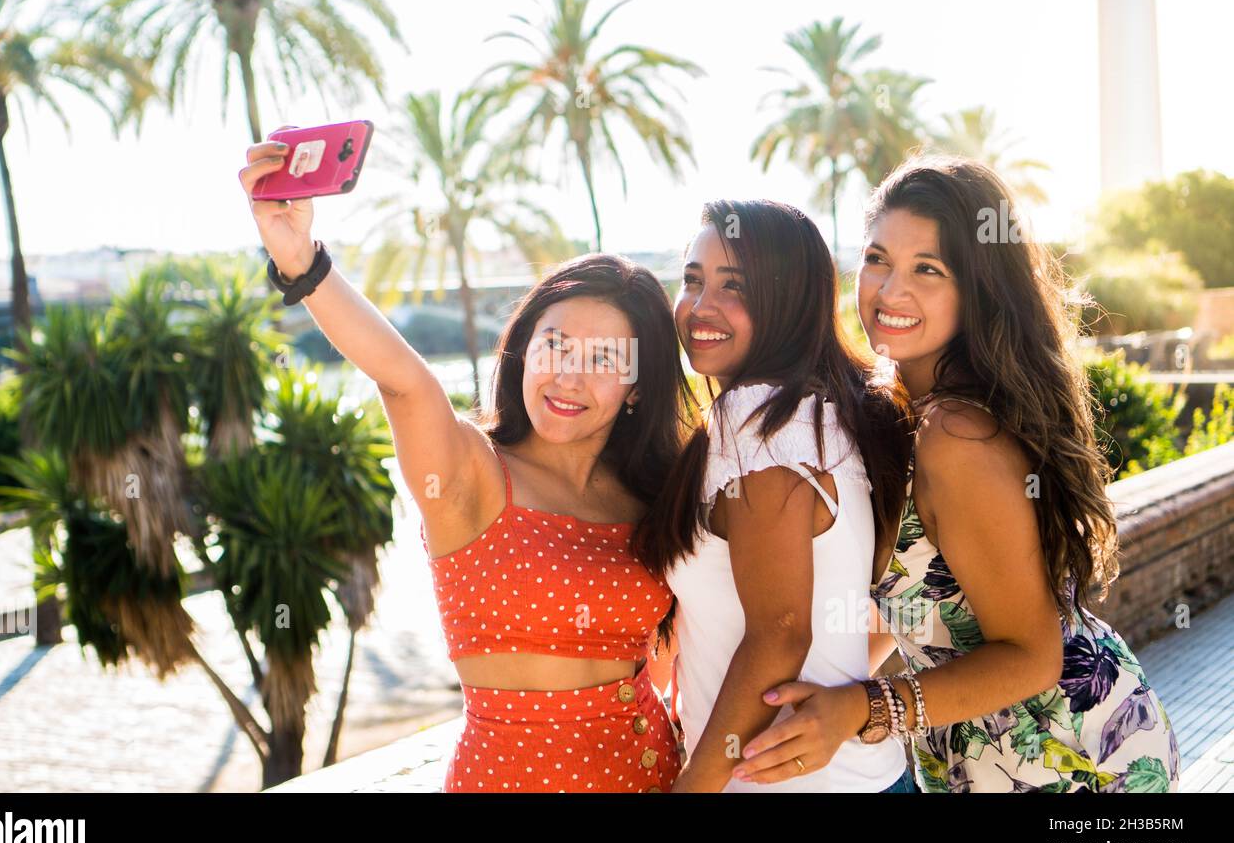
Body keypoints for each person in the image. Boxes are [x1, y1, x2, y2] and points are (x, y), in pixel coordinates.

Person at [238, 127, 699, 791]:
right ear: (522, 350)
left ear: (637, 389)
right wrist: (302, 260)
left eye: (603, 361)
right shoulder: (472, 472)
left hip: (653, 771)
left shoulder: (653, 494)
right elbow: (403, 380)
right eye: (555, 346)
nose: (569, 377)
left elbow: (663, 658)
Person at [735, 157, 1181, 792]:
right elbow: (926, 604)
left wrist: (863, 709)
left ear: (976, 290)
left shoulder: (956, 437)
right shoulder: (899, 409)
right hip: (975, 755)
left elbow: (1032, 655)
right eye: (877, 258)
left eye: (928, 270)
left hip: (1074, 759)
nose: (890, 292)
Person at [631, 199, 917, 792]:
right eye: (692, 280)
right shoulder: (824, 411)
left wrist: (694, 786)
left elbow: (781, 632)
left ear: (787, 300)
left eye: (734, 286)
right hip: (856, 779)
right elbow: (885, 599)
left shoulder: (758, 421)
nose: (700, 307)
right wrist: (834, 696)